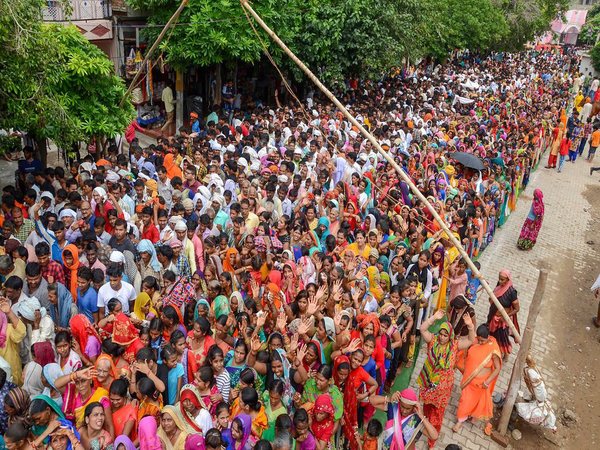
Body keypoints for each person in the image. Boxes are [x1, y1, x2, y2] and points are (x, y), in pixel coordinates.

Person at [417, 310, 475, 448]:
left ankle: (432, 441)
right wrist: (433, 318)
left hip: (442, 392)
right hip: (428, 385)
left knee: (437, 416)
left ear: (450, 336)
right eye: (441, 334)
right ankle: (423, 430)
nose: (442, 337)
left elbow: (471, 340)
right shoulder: (432, 340)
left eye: (445, 335)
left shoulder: (454, 346)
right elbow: (422, 329)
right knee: (425, 411)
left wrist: (470, 326)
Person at [452, 325, 502, 436]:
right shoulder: (475, 341)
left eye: (482, 340)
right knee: (465, 400)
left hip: (482, 383)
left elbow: (497, 368)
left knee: (476, 401)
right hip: (469, 380)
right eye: (478, 339)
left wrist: (487, 382)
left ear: (488, 336)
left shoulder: (493, 348)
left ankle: (472, 415)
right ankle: (460, 421)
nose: (480, 342)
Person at [486, 270, 520, 359]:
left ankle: (506, 354)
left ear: (508, 279)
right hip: (493, 315)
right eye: (499, 279)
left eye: (503, 280)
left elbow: (517, 309)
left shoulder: (512, 292)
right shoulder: (499, 285)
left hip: (502, 321)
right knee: (492, 334)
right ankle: (492, 349)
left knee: (502, 337)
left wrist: (505, 316)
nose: (500, 281)